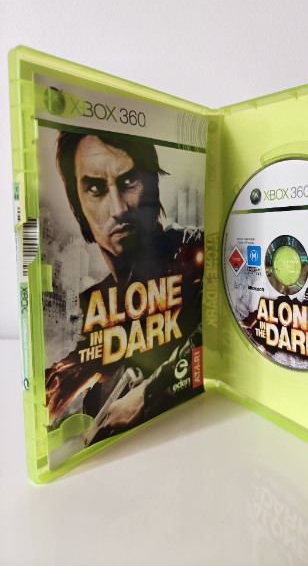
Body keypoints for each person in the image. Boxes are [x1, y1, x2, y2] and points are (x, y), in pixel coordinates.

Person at [45, 132, 204, 442]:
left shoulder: (196, 251)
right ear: (78, 207)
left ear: (153, 184)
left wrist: (148, 395)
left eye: (129, 181)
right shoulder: (97, 304)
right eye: (96, 188)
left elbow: (212, 336)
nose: (118, 209)